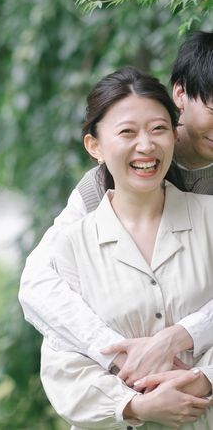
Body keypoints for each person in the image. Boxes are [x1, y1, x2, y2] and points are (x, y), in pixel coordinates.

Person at [19, 32, 213, 386]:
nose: (146, 145)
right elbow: (39, 283)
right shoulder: (104, 185)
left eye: (157, 130)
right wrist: (123, 355)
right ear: (180, 94)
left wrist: (182, 336)